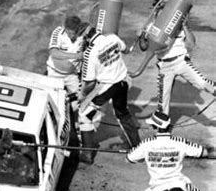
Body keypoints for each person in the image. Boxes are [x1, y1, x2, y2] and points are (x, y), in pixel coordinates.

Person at [78, 28, 141, 163]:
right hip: (123, 81)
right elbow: (126, 50)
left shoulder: (90, 53)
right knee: (122, 114)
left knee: (83, 114)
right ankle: (138, 148)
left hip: (108, 86)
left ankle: (87, 153)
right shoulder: (112, 37)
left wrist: (83, 95)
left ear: (86, 38)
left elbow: (89, 82)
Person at [147, 19, 215, 126]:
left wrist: (185, 26)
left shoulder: (179, 24)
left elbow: (191, 44)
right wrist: (142, 35)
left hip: (181, 61)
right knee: (163, 102)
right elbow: (144, 47)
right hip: (164, 66)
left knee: (202, 82)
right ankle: (162, 132)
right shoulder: (152, 26)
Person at [47, 16, 88, 110]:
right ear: (65, 28)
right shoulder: (58, 32)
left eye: (75, 33)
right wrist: (77, 56)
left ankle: (75, 121)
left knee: (79, 102)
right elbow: (54, 53)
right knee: (51, 103)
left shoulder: (83, 33)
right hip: (54, 73)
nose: (73, 36)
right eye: (69, 33)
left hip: (72, 75)